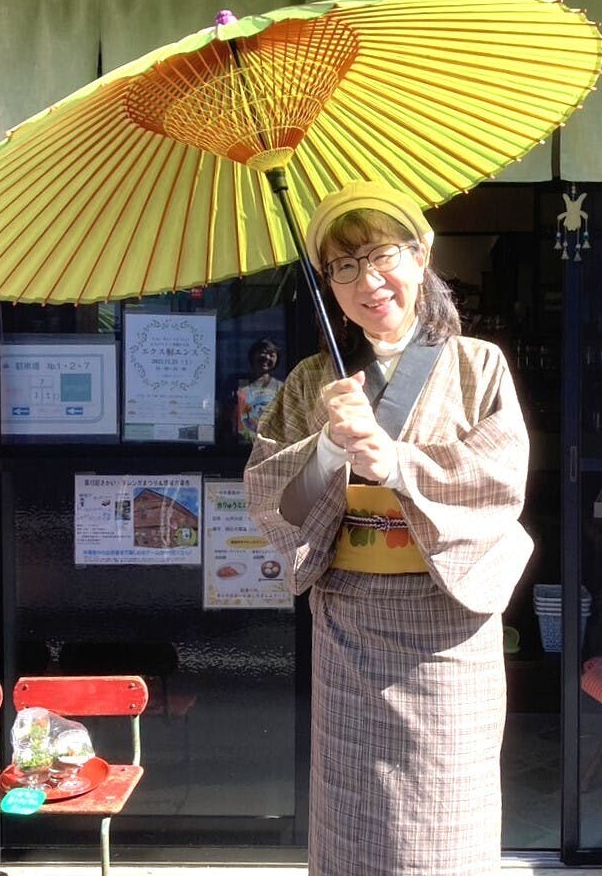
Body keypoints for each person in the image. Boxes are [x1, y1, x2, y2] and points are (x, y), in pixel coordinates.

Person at [243, 180, 532, 876]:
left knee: (445, 826)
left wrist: (398, 462)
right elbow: (274, 501)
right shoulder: (314, 382)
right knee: (352, 824)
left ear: (421, 254)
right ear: (328, 284)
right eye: (343, 266)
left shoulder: (477, 366)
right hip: (350, 627)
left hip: (447, 631)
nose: (367, 282)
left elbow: (498, 484)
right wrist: (329, 447)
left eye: (381, 256)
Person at [235, 337, 284, 443]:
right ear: (253, 355)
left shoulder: (281, 387)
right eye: (263, 353)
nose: (267, 357)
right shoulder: (239, 384)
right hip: (242, 445)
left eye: (271, 355)